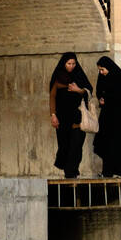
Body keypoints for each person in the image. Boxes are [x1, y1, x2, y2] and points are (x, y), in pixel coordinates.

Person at [93, 56, 121, 178]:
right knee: (106, 145)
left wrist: (108, 99)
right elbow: (100, 91)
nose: (101, 72)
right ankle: (107, 172)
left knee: (119, 145)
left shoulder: (120, 79)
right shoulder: (103, 78)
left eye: (103, 69)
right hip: (108, 119)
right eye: (100, 70)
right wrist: (101, 98)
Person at [48, 51, 92, 179]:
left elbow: (89, 91)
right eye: (69, 63)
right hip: (62, 118)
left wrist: (78, 90)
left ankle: (72, 171)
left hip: (77, 117)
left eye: (74, 63)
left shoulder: (79, 75)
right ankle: (69, 173)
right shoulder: (58, 77)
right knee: (65, 145)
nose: (71, 66)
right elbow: (52, 97)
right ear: (64, 63)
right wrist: (53, 115)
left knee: (77, 146)